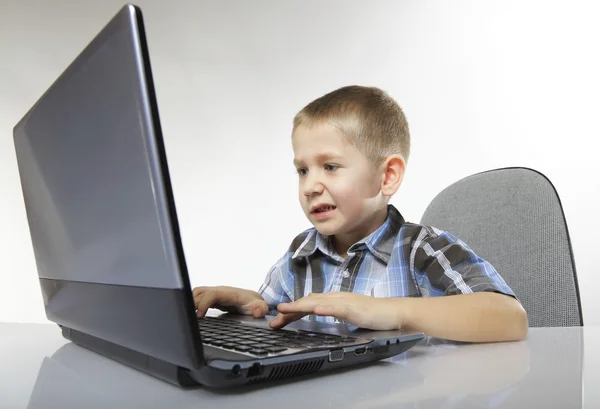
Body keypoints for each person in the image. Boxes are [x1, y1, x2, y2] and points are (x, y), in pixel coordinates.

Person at [193, 85, 528, 342]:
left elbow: (509, 317)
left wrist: (385, 311)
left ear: (387, 176)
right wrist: (243, 302)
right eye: (303, 171)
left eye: (330, 166)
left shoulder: (418, 250)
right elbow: (273, 311)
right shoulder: (300, 254)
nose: (311, 186)